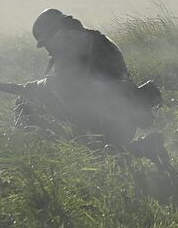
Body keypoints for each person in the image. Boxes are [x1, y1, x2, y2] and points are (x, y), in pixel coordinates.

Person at [23, 8, 162, 149]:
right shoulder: (95, 37)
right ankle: (132, 149)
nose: (47, 49)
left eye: (46, 43)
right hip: (125, 125)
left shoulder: (70, 44)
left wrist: (38, 86)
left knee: (34, 105)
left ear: (55, 33)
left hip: (100, 124)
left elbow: (63, 85)